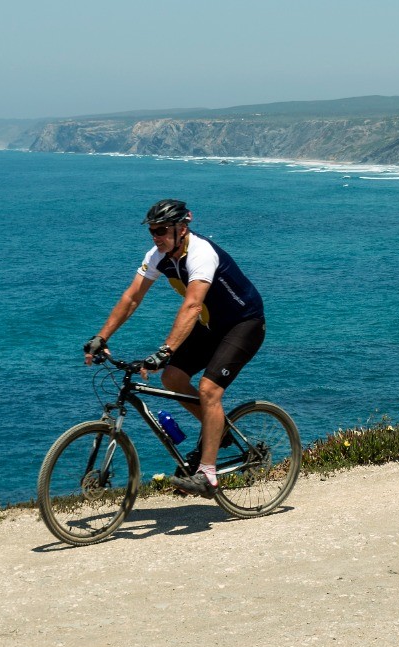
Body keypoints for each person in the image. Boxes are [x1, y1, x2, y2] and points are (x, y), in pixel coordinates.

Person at [83, 199, 266, 496]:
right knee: (173, 378)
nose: (156, 237)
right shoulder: (158, 256)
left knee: (208, 390)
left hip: (244, 324)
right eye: (152, 231)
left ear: (182, 228)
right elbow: (132, 298)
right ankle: (217, 434)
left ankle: (207, 474)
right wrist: (101, 337)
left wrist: (166, 350)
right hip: (211, 325)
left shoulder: (202, 254)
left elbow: (192, 305)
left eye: (162, 230)